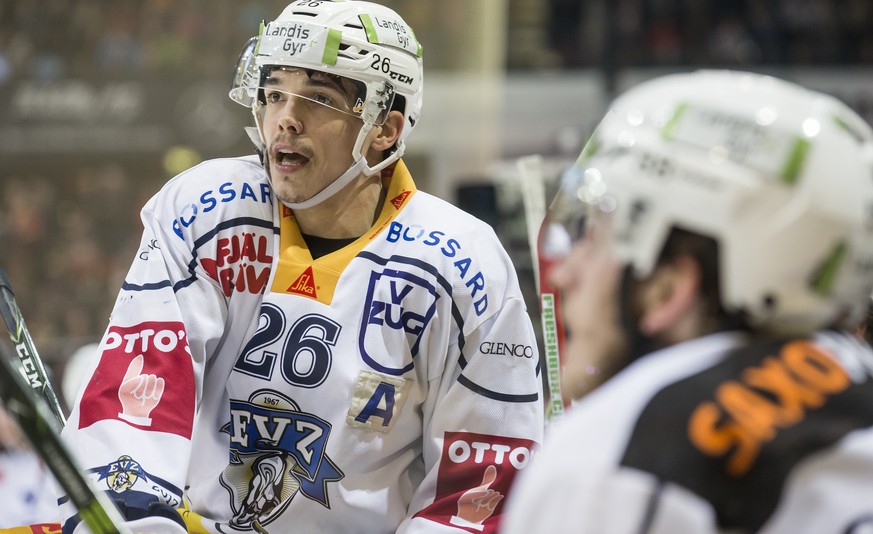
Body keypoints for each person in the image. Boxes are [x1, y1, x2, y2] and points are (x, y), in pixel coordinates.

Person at [57, 1, 543, 533]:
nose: (284, 118)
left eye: (317, 97)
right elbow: (135, 402)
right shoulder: (208, 209)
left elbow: (477, 490)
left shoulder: (464, 264)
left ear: (384, 127)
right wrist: (137, 521)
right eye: (273, 93)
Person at [502, 70, 873, 533]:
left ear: (669, 288)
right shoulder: (857, 375)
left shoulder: (619, 454)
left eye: (594, 239)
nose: (565, 271)